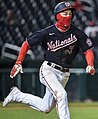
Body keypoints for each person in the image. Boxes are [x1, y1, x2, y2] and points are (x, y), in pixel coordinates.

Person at [3, 2, 95, 119]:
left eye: (70, 13)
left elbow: (88, 50)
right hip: (49, 70)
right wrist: (18, 62)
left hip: (65, 73)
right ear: (57, 15)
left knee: (45, 107)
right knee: (61, 94)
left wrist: (90, 64)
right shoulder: (48, 32)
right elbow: (27, 43)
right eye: (64, 13)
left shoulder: (77, 33)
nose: (68, 16)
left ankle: (16, 95)